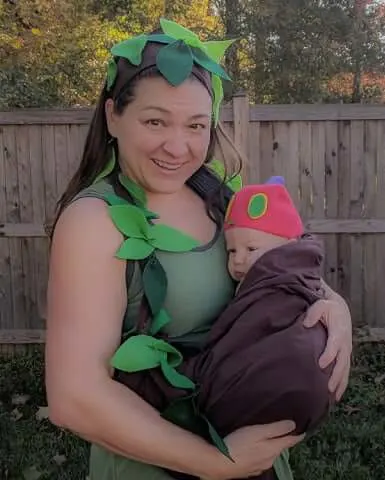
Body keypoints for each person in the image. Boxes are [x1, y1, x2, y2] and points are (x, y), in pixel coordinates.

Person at [44, 18, 353, 480]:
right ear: (112, 116)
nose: (178, 146)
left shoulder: (221, 199)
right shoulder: (93, 223)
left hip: (257, 462)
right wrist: (214, 463)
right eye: (155, 121)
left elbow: (287, 271)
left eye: (195, 125)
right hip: (161, 466)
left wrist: (335, 306)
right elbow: (75, 397)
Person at [114, 175, 335, 480]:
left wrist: (337, 309)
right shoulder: (98, 214)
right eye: (231, 252)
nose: (239, 261)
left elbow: (242, 334)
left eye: (251, 248)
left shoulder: (276, 281)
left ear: (286, 247)